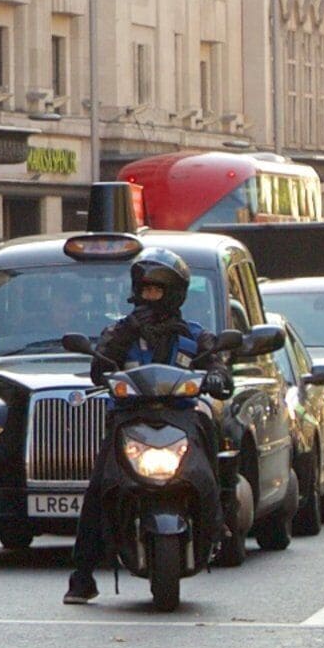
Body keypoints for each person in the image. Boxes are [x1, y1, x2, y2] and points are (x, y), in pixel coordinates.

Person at [67, 254, 217, 605]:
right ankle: (82, 575)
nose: (151, 297)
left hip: (181, 418)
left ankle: (220, 516)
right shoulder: (120, 331)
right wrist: (124, 335)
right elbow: (98, 367)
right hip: (128, 419)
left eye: (158, 290)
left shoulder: (195, 335)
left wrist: (218, 376)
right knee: (99, 486)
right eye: (146, 290)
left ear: (176, 293)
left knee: (211, 432)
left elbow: (218, 367)